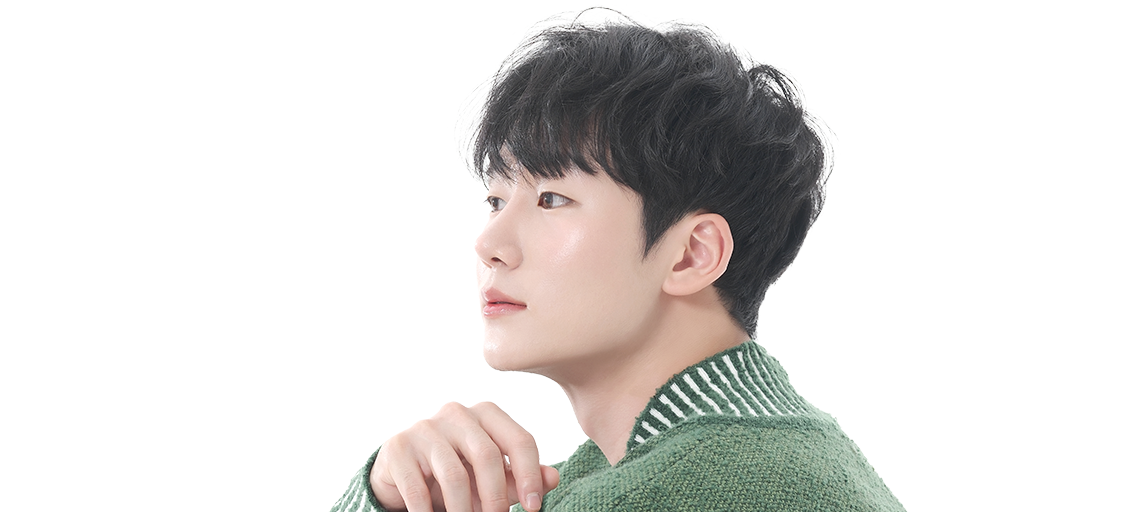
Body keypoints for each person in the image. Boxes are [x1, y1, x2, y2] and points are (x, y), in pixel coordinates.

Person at [331, 7, 903, 512]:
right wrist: (393, 494)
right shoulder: (769, 453)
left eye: (552, 198)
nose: (489, 244)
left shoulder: (677, 488)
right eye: (496, 200)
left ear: (691, 255)